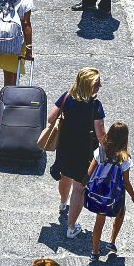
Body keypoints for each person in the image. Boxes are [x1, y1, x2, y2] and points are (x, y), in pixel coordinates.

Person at [45, 68, 106, 239]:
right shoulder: (95, 106)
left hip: (64, 147)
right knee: (79, 188)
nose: (100, 86)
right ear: (88, 86)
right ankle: (71, 228)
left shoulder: (66, 97)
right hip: (84, 153)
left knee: (64, 177)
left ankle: (62, 203)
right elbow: (101, 135)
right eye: (97, 84)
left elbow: (50, 119)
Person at [87, 122, 134, 260]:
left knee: (99, 221)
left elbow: (90, 172)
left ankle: (95, 252)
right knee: (121, 211)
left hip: (100, 193)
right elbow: (126, 182)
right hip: (115, 194)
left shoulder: (100, 151)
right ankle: (112, 241)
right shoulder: (124, 158)